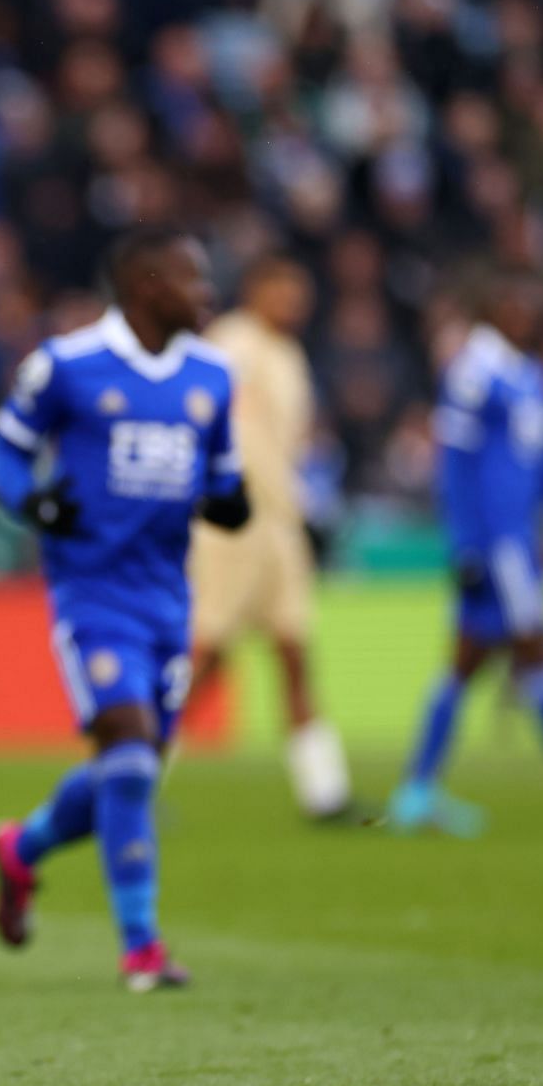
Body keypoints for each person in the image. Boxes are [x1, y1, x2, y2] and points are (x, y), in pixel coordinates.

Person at [0, 228, 249, 991]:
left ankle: (20, 849)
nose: (207, 294)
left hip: (169, 597)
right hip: (91, 595)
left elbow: (224, 479)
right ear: (145, 284)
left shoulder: (213, 376)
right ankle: (142, 948)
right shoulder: (67, 365)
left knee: (128, 771)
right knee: (129, 760)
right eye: (194, 279)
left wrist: (233, 504)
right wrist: (35, 503)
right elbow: (1, 454)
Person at [388, 273, 543, 834]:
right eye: (515, 301)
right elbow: (455, 466)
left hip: (520, 544)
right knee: (536, 653)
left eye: (532, 302)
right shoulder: (472, 373)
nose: (526, 312)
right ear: (491, 307)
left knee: (468, 663)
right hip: (497, 548)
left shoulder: (529, 375)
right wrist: (466, 544)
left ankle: (417, 789)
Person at [188, 255, 353, 819]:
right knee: (206, 653)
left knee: (294, 651)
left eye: (299, 290)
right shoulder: (233, 342)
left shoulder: (289, 354)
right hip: (234, 524)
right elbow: (200, 413)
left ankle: (325, 792)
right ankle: (132, 774)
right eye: (283, 288)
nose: (294, 301)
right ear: (256, 288)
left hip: (281, 526)